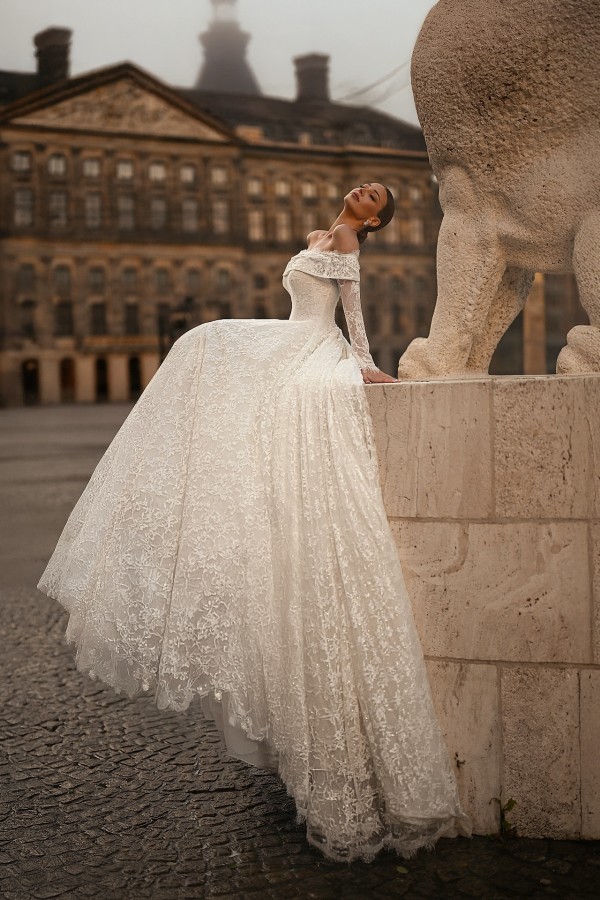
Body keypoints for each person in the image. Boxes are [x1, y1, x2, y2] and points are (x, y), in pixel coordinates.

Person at [37, 182, 472, 863]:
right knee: (205, 353)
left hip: (309, 354)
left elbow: (349, 315)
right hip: (289, 348)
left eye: (376, 197)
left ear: (376, 219)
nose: (364, 193)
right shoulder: (318, 239)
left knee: (203, 343)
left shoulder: (348, 244)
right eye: (364, 186)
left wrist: (366, 369)